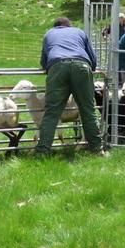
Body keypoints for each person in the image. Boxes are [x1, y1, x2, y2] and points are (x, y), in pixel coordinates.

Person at [36, 17, 107, 156]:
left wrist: (51, 68)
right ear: (69, 26)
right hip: (81, 66)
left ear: (55, 27)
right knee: (88, 110)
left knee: (51, 113)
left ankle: (42, 152)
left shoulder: (49, 34)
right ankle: (97, 150)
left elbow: (43, 61)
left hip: (57, 66)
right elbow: (93, 59)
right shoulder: (79, 32)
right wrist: (89, 69)